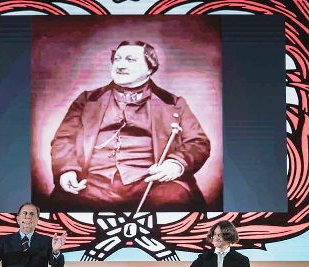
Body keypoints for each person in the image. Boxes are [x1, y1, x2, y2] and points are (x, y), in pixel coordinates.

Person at [48, 40, 212, 211]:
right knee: (62, 205)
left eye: (130, 60)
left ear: (150, 68)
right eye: (117, 59)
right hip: (92, 184)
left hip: (152, 184)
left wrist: (176, 164)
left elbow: (198, 142)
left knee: (174, 201)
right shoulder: (88, 100)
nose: (120, 65)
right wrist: (67, 170)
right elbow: (64, 139)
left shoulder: (173, 103)